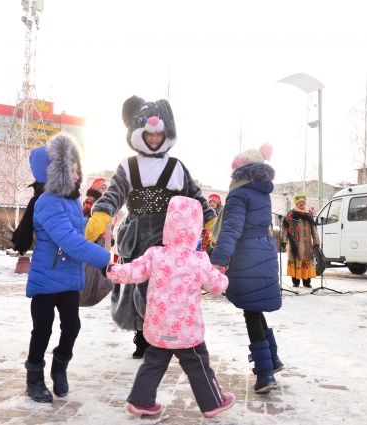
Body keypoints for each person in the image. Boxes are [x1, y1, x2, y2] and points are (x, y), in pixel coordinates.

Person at [84, 96, 216, 359]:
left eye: (159, 133)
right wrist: (101, 213)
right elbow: (114, 193)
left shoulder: (176, 167)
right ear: (137, 133)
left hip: (170, 237)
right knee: (137, 285)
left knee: (165, 288)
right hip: (135, 237)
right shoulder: (128, 166)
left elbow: (196, 196)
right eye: (148, 133)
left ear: (167, 132)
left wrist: (211, 220)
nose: (154, 138)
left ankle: (165, 335)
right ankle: (142, 337)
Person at [105, 196, 235, 418]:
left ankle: (141, 401)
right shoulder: (198, 259)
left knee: (153, 361)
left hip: (159, 327)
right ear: (195, 227)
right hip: (186, 330)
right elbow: (216, 286)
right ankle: (213, 402)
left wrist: (110, 270)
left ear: (169, 224)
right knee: (198, 364)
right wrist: (222, 277)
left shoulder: (156, 254)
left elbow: (133, 271)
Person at [18, 133, 111, 403]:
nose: (77, 174)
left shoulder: (70, 202)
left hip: (70, 277)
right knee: (42, 330)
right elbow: (70, 242)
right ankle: (34, 378)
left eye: (76, 168)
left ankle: (60, 368)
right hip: (47, 278)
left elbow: (81, 236)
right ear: (54, 172)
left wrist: (100, 219)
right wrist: (106, 261)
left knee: (72, 326)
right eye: (70, 169)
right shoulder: (47, 202)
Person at [210, 143, 284, 394]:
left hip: (248, 256)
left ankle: (264, 374)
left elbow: (232, 228)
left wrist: (218, 260)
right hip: (264, 252)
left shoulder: (239, 195)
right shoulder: (262, 193)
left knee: (251, 311)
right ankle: (272, 360)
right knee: (255, 307)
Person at [280, 194, 320, 288]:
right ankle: (296, 281)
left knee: (306, 261)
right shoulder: (290, 214)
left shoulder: (309, 214)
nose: (302, 203)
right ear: (296, 203)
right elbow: (285, 228)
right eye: (299, 202)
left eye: (303, 202)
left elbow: (314, 229)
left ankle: (306, 282)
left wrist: (316, 241)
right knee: (296, 260)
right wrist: (283, 240)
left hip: (306, 244)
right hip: (295, 244)